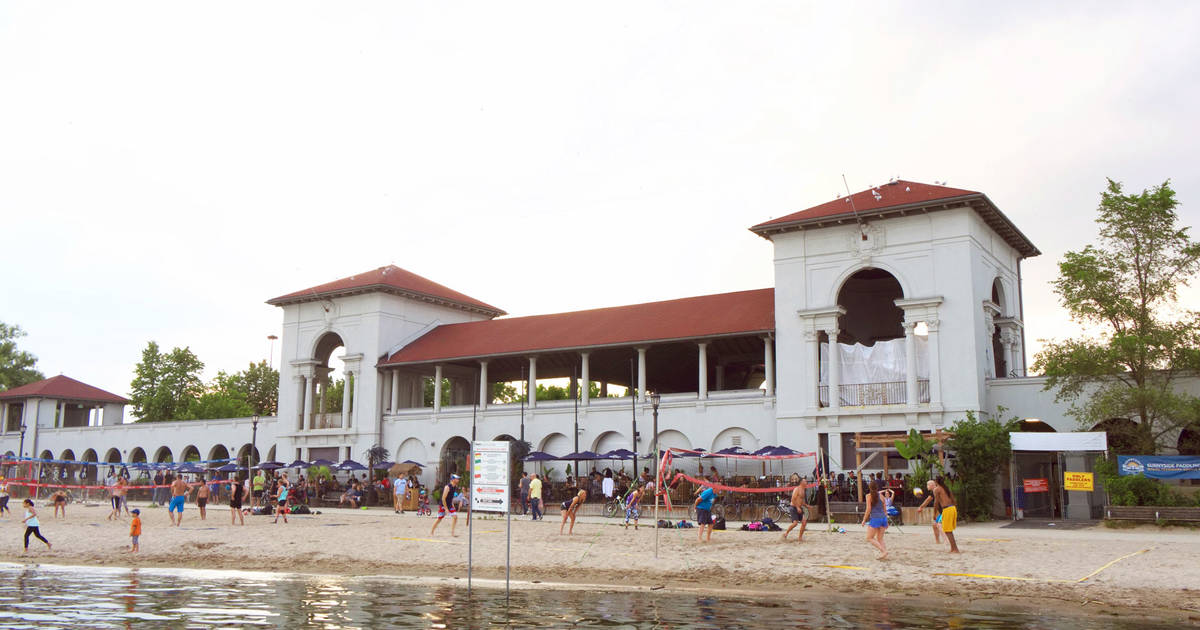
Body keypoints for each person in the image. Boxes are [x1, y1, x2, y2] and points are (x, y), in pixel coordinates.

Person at [922, 476, 959, 553]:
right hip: (952, 508)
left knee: (948, 530)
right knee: (948, 530)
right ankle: (953, 548)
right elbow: (953, 499)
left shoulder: (937, 489)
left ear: (936, 482)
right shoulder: (946, 488)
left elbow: (936, 502)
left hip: (947, 509)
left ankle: (955, 549)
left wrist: (934, 514)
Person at [861, 479, 888, 560]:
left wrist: (864, 520)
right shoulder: (881, 496)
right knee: (880, 538)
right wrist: (886, 521)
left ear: (869, 487)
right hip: (883, 518)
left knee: (869, 538)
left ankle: (883, 551)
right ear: (877, 487)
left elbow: (868, 509)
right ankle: (884, 553)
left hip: (875, 518)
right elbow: (885, 510)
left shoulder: (868, 496)